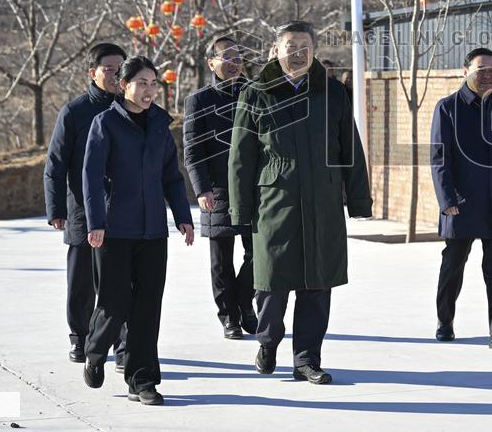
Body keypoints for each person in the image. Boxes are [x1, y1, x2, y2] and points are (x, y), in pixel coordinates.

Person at [229, 21, 371, 385]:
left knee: (317, 283)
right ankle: (267, 341)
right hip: (274, 200)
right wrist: (239, 209)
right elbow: (241, 156)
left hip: (323, 200)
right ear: (275, 50)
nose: (298, 52)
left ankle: (307, 359)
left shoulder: (333, 92)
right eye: (290, 45)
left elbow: (349, 149)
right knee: (271, 281)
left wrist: (358, 200)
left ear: (314, 51)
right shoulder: (257, 92)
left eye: (305, 46)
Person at [81, 56, 195, 406]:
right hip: (114, 231)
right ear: (124, 85)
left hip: (152, 232)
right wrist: (96, 222)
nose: (149, 90)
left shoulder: (161, 123)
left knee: (147, 307)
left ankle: (142, 380)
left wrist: (181, 216)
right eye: (142, 83)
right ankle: (96, 349)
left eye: (153, 83)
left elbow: (171, 176)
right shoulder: (105, 124)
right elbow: (91, 176)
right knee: (115, 303)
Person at [430, 47, 492, 352]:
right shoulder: (447, 108)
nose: (488, 75)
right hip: (461, 204)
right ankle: (445, 321)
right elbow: (439, 160)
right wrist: (447, 200)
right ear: (465, 71)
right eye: (481, 69)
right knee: (453, 266)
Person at [44, 43, 128, 367]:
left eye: (120, 68)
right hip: (81, 209)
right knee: (81, 281)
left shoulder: (130, 108)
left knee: (120, 279)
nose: (115, 74)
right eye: (109, 68)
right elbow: (55, 164)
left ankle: (122, 345)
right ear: (92, 73)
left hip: (121, 209)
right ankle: (80, 338)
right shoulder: (75, 111)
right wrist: (56, 210)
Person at [183, 35, 257, 340]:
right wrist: (201, 189)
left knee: (260, 254)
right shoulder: (199, 101)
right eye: (226, 57)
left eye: (238, 57)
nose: (234, 62)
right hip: (217, 189)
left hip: (255, 188)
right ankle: (229, 316)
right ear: (212, 63)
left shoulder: (255, 93)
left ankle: (245, 302)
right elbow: (192, 150)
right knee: (221, 259)